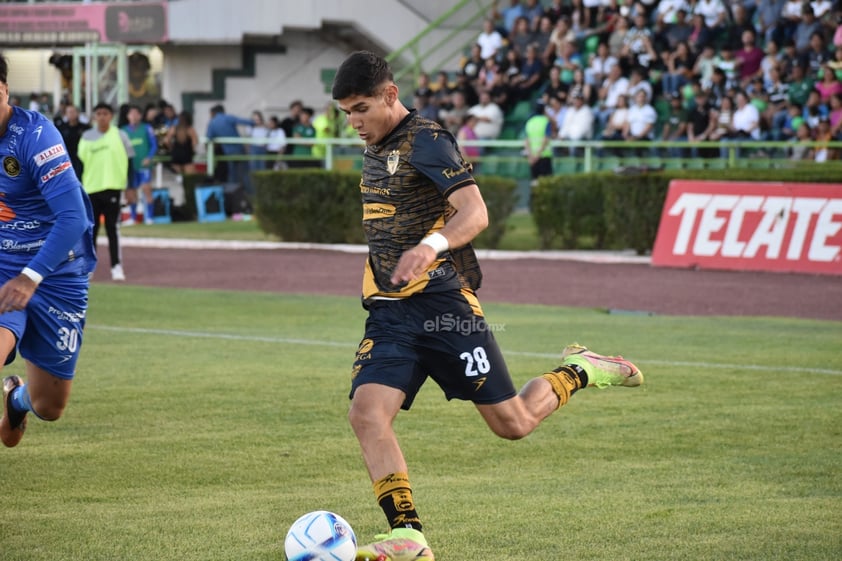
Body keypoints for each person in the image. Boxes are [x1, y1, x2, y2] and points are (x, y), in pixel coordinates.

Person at [331, 50, 643, 561]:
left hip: (443, 308)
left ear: (390, 94)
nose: (354, 122)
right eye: (346, 112)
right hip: (390, 313)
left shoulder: (428, 140)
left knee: (513, 423)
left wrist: (429, 248)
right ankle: (407, 535)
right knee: (366, 414)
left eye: (361, 108)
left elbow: (475, 213)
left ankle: (581, 369)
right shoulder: (374, 146)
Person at [0, 54, 97, 448]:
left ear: (3, 89)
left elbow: (73, 218)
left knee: (49, 405)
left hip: (57, 270)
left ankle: (16, 400)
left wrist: (31, 275)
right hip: (5, 264)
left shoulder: (36, 137)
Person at [78, 102, 135, 282]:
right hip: (91, 189)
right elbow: (79, 164)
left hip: (113, 188)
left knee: (113, 229)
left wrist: (131, 187)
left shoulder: (120, 135)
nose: (102, 117)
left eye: (105, 113)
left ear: (111, 116)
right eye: (99, 113)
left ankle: (116, 266)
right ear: (95, 117)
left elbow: (131, 162)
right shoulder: (86, 137)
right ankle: (88, 268)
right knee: (90, 231)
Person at [122, 104, 158, 225]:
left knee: (146, 189)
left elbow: (154, 144)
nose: (132, 116)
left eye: (135, 113)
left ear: (140, 115)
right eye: (130, 114)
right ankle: (133, 217)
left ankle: (150, 217)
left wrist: (149, 157)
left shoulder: (146, 128)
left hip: (144, 165)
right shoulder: (123, 131)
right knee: (132, 191)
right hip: (131, 165)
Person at [205, 104, 253, 187]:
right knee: (245, 173)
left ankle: (233, 195)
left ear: (213, 113)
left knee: (232, 175)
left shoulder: (212, 123)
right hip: (239, 149)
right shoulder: (228, 118)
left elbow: (209, 138)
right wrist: (254, 122)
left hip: (228, 152)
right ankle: (250, 193)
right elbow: (243, 121)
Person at [56, 103, 91, 181]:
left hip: (82, 159)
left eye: (73, 112)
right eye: (69, 112)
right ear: (65, 114)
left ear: (78, 113)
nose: (71, 114)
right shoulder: (61, 128)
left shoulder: (85, 128)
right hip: (67, 158)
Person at [165, 110, 199, 176]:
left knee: (177, 177)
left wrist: (171, 148)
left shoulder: (174, 128)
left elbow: (166, 140)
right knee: (189, 177)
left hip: (176, 154)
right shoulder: (190, 129)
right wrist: (192, 150)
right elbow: (195, 142)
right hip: (187, 154)